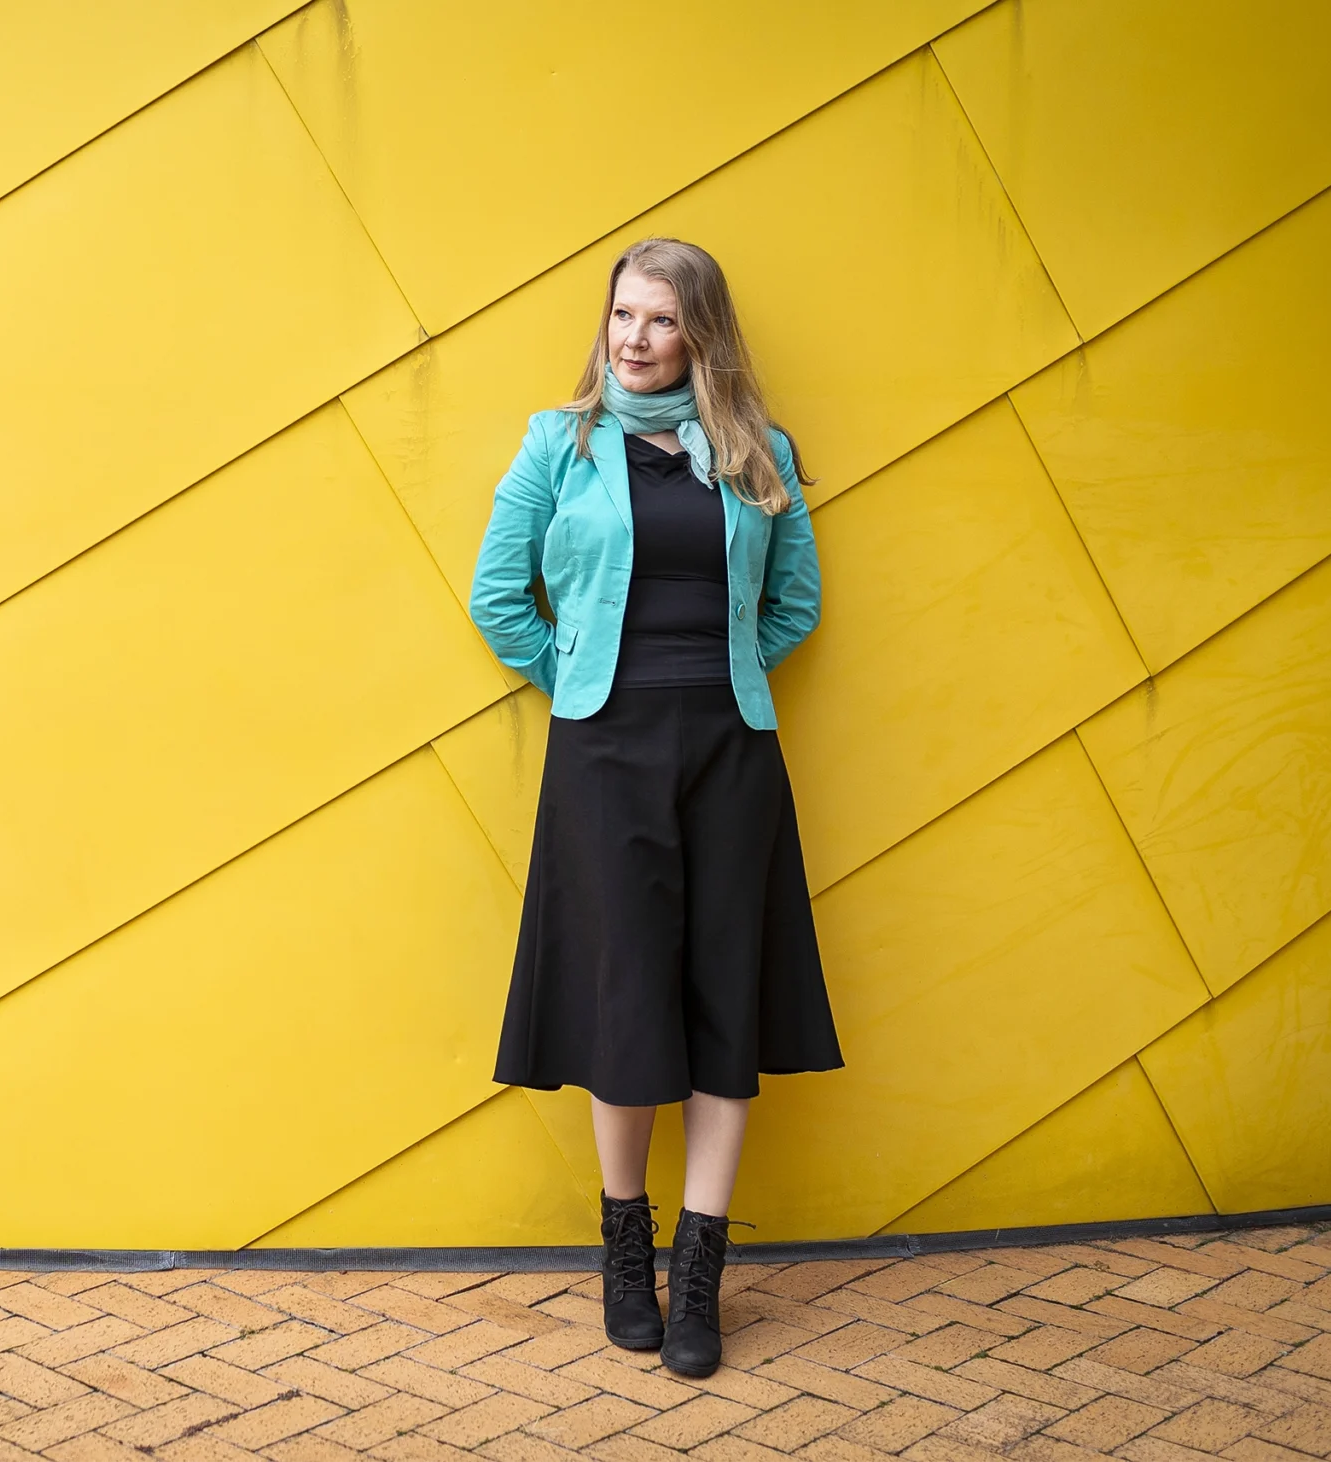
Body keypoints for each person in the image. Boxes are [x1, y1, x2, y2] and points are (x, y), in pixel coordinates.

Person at [467, 237, 843, 1373]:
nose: (633, 339)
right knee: (628, 993)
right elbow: (498, 594)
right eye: (622, 316)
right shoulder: (558, 442)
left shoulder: (754, 452)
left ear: (702, 334)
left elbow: (795, 603)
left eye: (660, 321)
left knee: (723, 996)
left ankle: (701, 1274)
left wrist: (719, 668)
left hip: (729, 750)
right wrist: (581, 673)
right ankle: (624, 1248)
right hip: (604, 751)